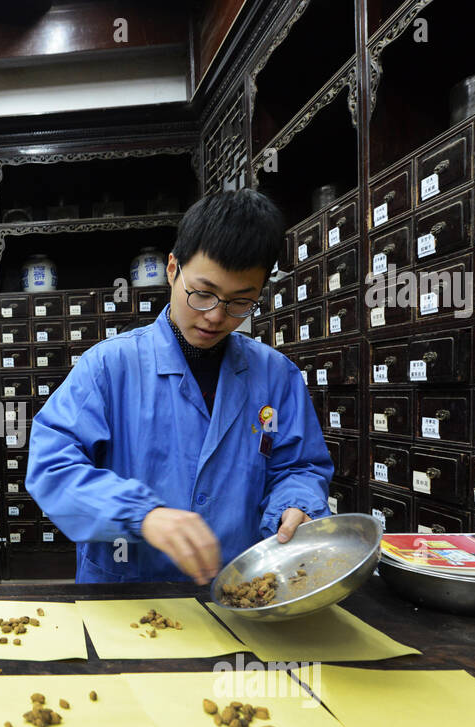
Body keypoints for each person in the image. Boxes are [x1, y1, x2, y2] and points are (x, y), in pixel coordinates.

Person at [26, 189, 333, 584]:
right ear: (173, 269)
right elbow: (51, 467)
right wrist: (140, 514)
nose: (216, 316)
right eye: (202, 293)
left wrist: (296, 504)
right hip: (124, 596)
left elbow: (299, 466)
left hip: (236, 593)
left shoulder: (277, 376)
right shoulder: (109, 366)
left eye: (241, 302)